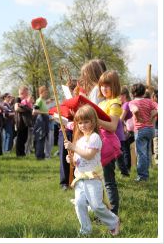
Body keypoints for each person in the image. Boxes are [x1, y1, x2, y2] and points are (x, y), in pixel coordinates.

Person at [64, 105, 120, 236]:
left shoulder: (95, 137)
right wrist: (70, 159)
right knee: (79, 203)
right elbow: (77, 162)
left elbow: (89, 155)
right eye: (80, 122)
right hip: (80, 178)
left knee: (96, 205)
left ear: (93, 122)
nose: (82, 125)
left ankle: (114, 221)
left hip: (93, 178)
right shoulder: (79, 141)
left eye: (86, 122)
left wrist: (74, 148)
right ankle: (85, 230)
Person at [98, 70, 123, 215]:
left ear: (114, 86)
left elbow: (112, 126)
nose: (104, 88)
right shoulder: (102, 103)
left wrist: (95, 120)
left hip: (108, 145)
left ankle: (113, 215)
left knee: (108, 182)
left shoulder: (115, 103)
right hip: (98, 144)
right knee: (99, 182)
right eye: (102, 85)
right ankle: (103, 213)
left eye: (107, 85)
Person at [129, 83, 157, 181]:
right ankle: (147, 171)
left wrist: (137, 117)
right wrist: (151, 117)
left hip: (140, 130)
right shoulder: (149, 101)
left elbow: (135, 110)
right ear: (143, 91)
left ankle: (142, 176)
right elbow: (157, 109)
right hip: (150, 129)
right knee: (147, 151)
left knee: (141, 154)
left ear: (133, 92)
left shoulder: (132, 103)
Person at [120, 86, 135, 171]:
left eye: (119, 96)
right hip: (131, 129)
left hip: (127, 130)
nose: (118, 98)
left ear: (124, 95)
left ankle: (126, 168)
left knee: (125, 149)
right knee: (125, 148)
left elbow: (121, 119)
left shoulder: (126, 105)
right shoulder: (130, 103)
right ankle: (126, 167)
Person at [14, 86, 32, 157]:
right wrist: (27, 110)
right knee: (20, 137)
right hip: (19, 121)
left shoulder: (25, 101)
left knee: (24, 137)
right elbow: (16, 109)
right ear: (22, 92)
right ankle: (19, 154)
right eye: (26, 92)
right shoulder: (17, 99)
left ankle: (22, 153)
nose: (27, 94)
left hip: (25, 121)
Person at [33, 86, 49, 160]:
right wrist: (45, 113)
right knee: (40, 137)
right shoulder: (39, 100)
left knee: (43, 138)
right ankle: (39, 156)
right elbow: (34, 111)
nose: (47, 93)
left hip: (44, 120)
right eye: (46, 92)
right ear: (41, 92)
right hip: (40, 120)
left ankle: (41, 155)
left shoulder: (43, 101)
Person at [151, 89, 158, 164]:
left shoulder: (155, 105)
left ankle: (157, 162)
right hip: (155, 128)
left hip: (156, 128)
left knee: (156, 147)